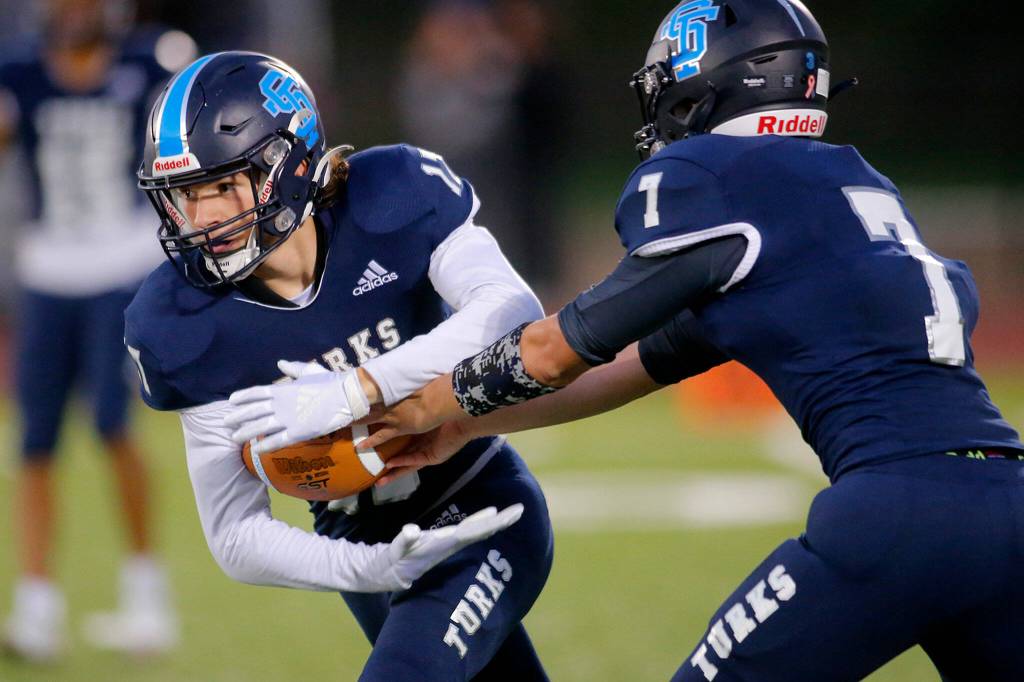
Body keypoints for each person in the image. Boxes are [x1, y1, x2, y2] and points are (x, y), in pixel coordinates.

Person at [257, 1, 1023, 680]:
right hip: (1007, 505)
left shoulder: (716, 174)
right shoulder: (852, 190)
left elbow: (563, 348)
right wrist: (464, 424)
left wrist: (415, 406)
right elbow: (640, 359)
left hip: (891, 517)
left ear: (708, 85)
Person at [127, 51, 553, 680]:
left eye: (221, 186)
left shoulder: (390, 197)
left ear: (288, 165)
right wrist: (366, 569)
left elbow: (514, 310)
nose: (203, 217)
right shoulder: (178, 324)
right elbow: (236, 536)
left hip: (477, 499)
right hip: (356, 539)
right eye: (185, 195)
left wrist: (359, 388)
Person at [0, 0, 188, 660]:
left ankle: (146, 594)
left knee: (113, 422)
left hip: (121, 265)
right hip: (49, 268)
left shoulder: (150, 62)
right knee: (35, 441)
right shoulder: (19, 71)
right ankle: (36, 607)